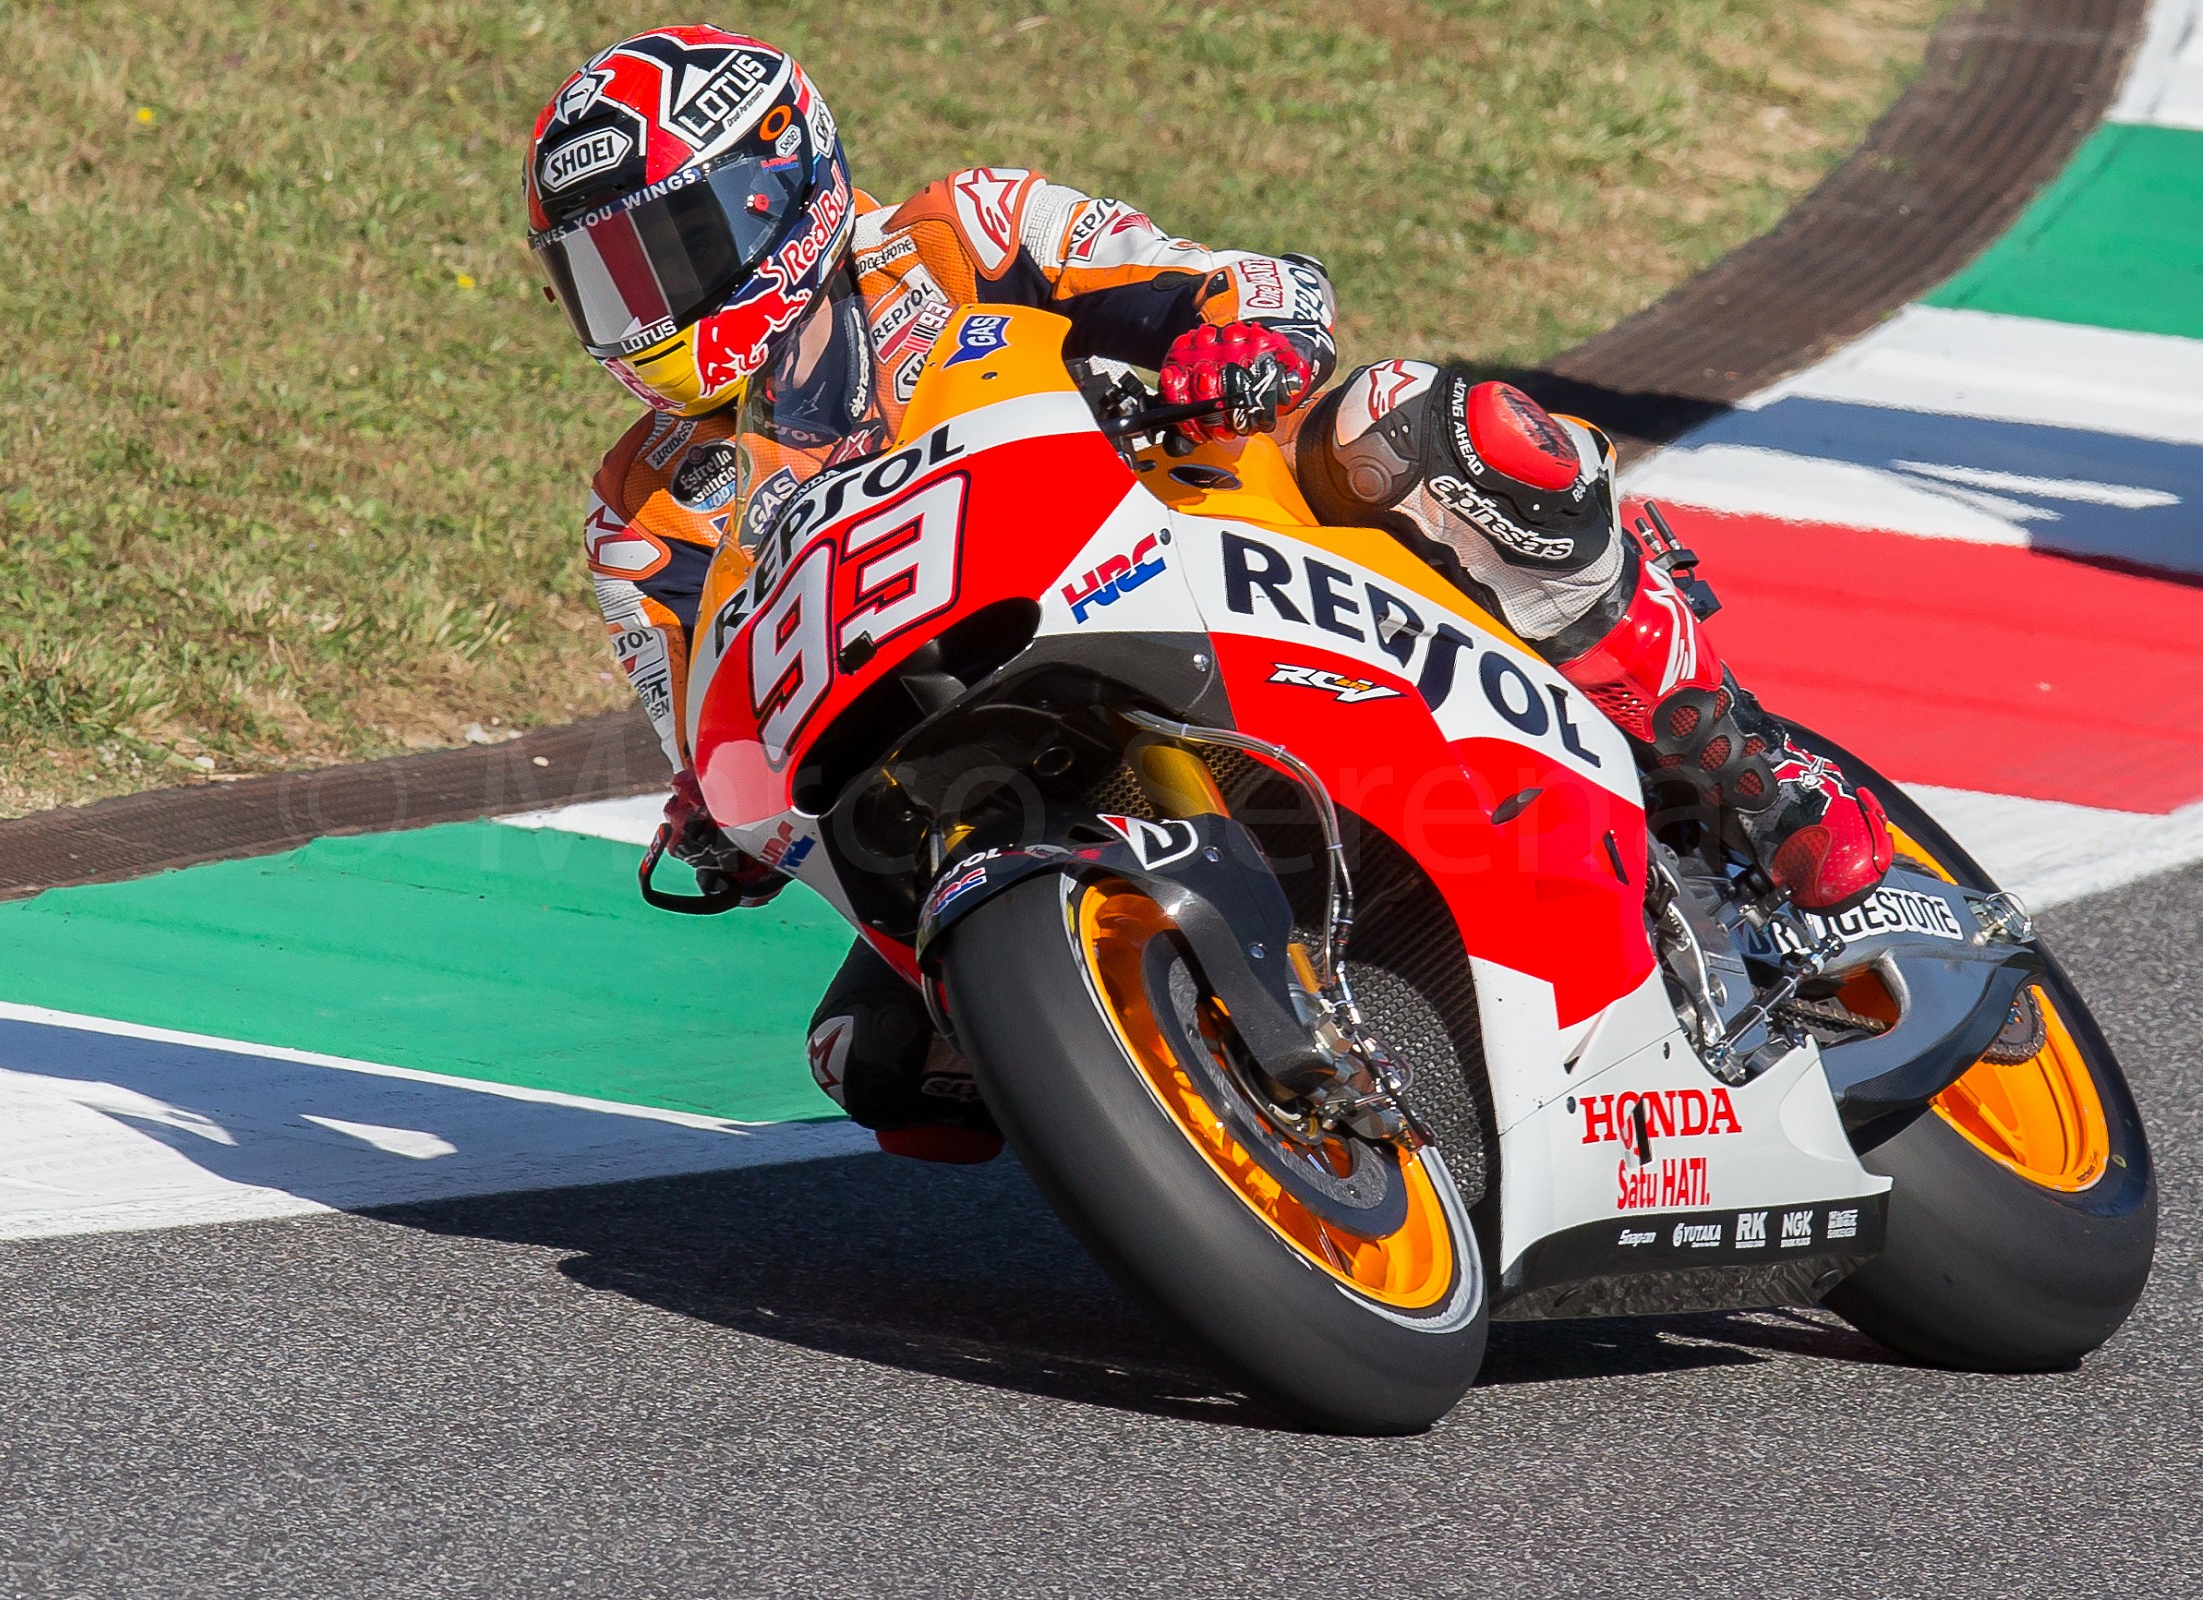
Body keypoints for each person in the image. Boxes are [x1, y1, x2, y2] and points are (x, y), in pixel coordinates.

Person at [523, 25, 1893, 1160]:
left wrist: (1226, 337)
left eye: (666, 248)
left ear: (786, 189)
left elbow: (1238, 286)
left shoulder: (961, 234)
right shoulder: (641, 515)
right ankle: (1214, 1125)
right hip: (948, 745)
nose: (637, 304)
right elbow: (697, 711)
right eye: (600, 278)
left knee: (1421, 424)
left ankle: (1731, 751)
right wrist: (716, 812)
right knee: (883, 1070)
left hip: (1192, 547)